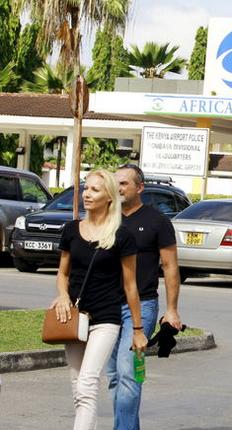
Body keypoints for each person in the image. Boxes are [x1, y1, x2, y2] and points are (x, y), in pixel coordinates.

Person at [51, 170, 147, 430]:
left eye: (95, 190)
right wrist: (62, 295)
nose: (87, 194)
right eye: (86, 189)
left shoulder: (122, 236)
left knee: (87, 382)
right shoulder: (71, 230)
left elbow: (130, 286)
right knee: (77, 386)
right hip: (73, 318)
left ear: (109, 197)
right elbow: (63, 273)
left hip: (106, 319)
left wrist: (137, 330)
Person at [107, 164, 182, 430]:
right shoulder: (106, 217)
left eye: (124, 183)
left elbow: (171, 266)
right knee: (114, 376)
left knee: (129, 373)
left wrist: (171, 309)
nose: (118, 188)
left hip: (143, 307)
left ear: (140, 188)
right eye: (115, 183)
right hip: (106, 307)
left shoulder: (157, 221)